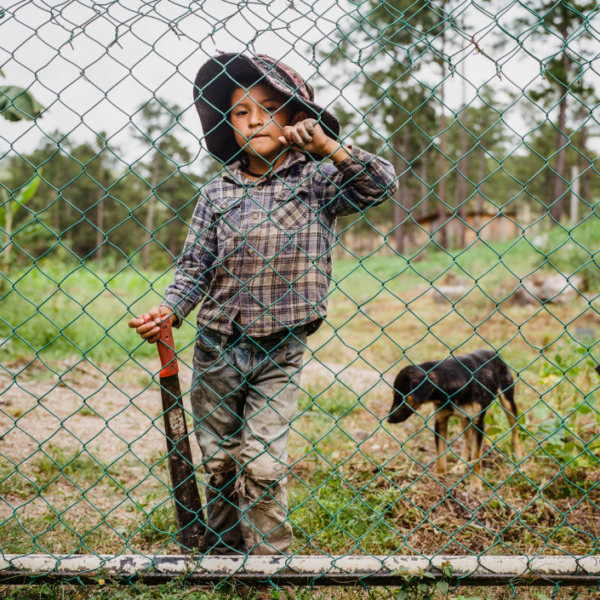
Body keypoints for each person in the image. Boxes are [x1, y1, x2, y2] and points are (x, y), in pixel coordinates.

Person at [129, 53, 398, 556]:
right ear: (227, 125)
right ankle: (222, 551)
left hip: (282, 348)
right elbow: (194, 266)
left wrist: (329, 148)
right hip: (217, 346)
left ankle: (270, 561)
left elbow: (379, 185)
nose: (254, 119)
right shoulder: (216, 193)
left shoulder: (317, 182)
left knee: (263, 462)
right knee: (220, 459)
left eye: (270, 107)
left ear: (297, 116)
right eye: (240, 112)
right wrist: (170, 310)